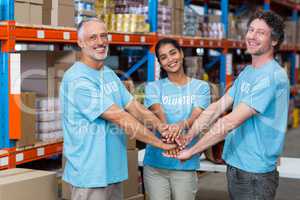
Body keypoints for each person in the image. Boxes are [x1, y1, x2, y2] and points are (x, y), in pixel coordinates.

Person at [166, 11, 289, 200]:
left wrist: (192, 151)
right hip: (236, 164)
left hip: (255, 172)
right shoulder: (249, 72)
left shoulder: (272, 76)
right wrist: (189, 136)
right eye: (251, 30)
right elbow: (217, 107)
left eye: (261, 33)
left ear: (274, 40)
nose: (252, 36)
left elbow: (230, 122)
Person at [60, 18, 176, 200]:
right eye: (92, 38)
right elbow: (121, 118)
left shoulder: (108, 73)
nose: (100, 42)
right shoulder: (77, 80)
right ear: (80, 43)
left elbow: (134, 107)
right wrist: (160, 143)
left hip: (112, 172)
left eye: (103, 36)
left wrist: (162, 127)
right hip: (90, 175)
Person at [143, 38, 211, 200]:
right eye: (164, 57)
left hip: (185, 162)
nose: (170, 59)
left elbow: (196, 115)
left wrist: (181, 125)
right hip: (155, 164)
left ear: (181, 53)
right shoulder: (153, 87)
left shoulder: (200, 87)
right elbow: (158, 113)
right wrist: (169, 130)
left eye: (173, 53)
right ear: (160, 62)